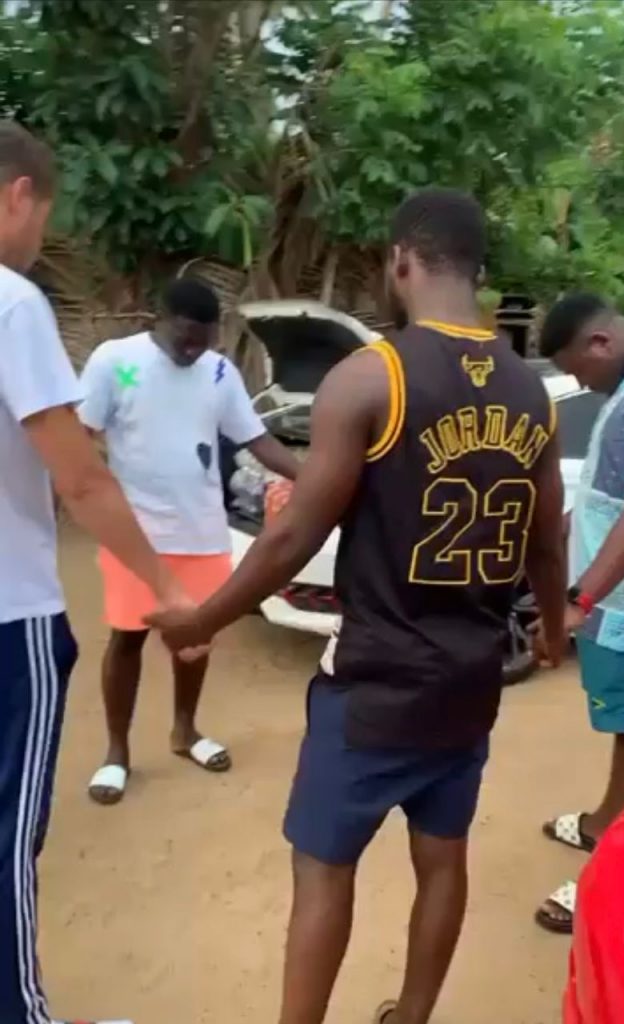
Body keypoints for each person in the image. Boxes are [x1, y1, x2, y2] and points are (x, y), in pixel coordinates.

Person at [148, 187, 566, 1024]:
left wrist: (202, 621)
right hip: (468, 685)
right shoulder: (532, 393)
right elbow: (546, 539)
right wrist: (553, 628)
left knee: (323, 869)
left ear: (401, 260)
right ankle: (411, 1015)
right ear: (476, 269)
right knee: (442, 860)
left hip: (374, 687)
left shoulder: (372, 375)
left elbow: (290, 538)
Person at [0, 121, 190, 1024]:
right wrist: (168, 587)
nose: (42, 238)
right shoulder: (12, 304)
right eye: (46, 214)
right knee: (7, 839)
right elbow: (80, 478)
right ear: (17, 195)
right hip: (10, 618)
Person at [79, 277, 299, 805]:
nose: (193, 350)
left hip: (201, 532)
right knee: (127, 638)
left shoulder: (219, 372)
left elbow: (256, 438)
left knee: (196, 640)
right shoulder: (116, 362)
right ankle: (116, 753)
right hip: (135, 536)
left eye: (204, 341)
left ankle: (185, 731)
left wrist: (315, 478)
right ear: (160, 317)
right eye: (185, 338)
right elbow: (79, 434)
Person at [534, 293, 624, 934]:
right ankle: (607, 822)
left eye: (578, 371)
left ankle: (613, 881)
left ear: (600, 343)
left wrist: (580, 600)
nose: (581, 384)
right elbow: (611, 490)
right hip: (621, 609)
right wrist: (560, 533)